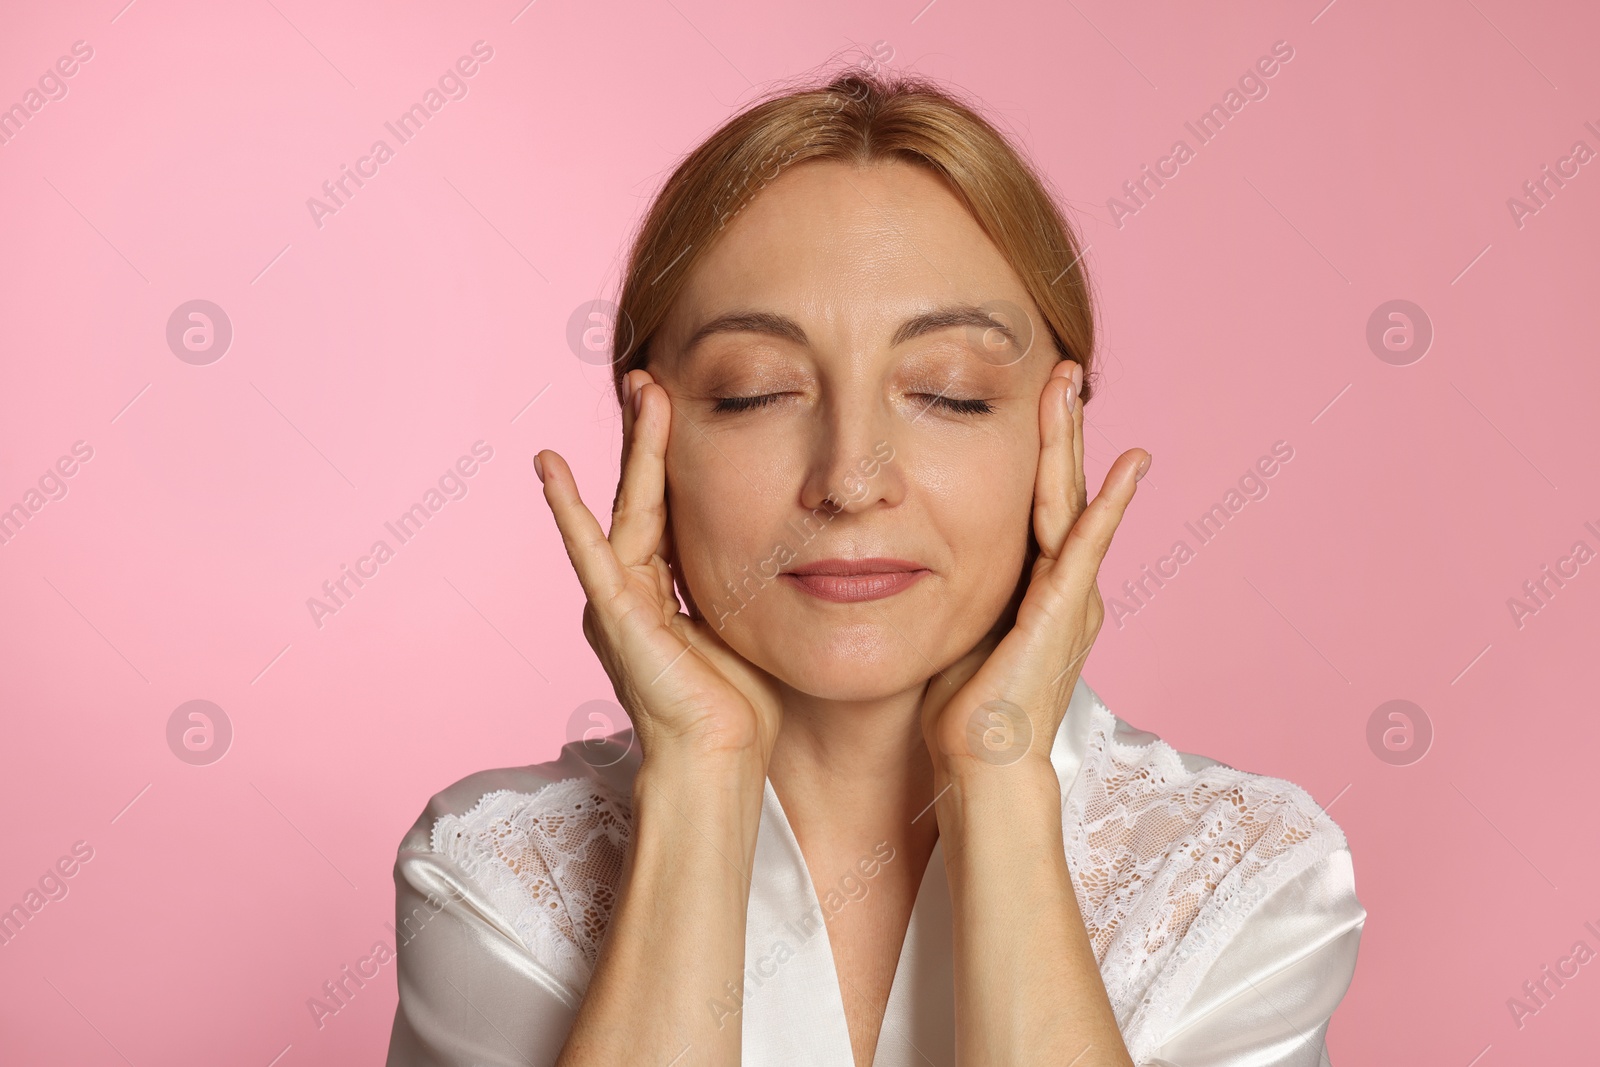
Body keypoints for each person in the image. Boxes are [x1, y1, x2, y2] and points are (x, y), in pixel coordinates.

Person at [385, 64, 1365, 1067]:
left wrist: (997, 770)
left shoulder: (1243, 879)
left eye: (947, 392)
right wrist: (698, 776)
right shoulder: (495, 875)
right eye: (755, 392)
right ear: (650, 438)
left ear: (1055, 434)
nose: (851, 477)